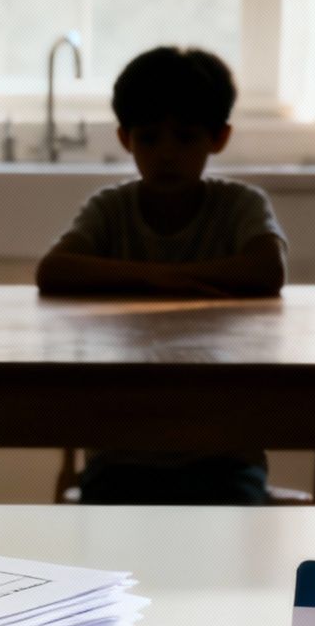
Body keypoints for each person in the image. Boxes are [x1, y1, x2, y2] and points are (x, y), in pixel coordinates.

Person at [35, 46, 287, 504]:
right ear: (125, 138)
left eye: (185, 137)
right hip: (121, 448)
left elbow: (267, 268)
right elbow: (54, 270)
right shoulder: (111, 207)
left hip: (224, 448)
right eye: (149, 138)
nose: (166, 154)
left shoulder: (238, 204)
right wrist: (162, 278)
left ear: (219, 137)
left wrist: (150, 277)